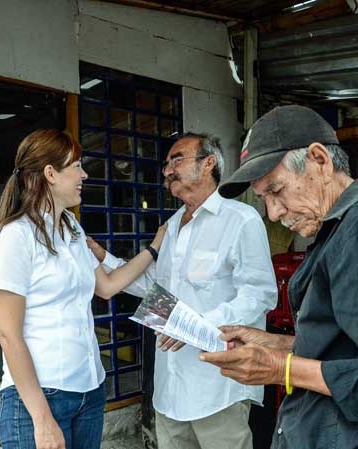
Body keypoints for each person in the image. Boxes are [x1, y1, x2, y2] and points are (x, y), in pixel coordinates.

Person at [201, 105, 358, 449]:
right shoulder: (340, 229)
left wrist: (280, 368)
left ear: (320, 160)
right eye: (263, 198)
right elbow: (346, 349)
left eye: (277, 190)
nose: (273, 212)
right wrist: (272, 344)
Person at [88, 133, 277, 449]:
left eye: (177, 159)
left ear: (208, 164)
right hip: (170, 389)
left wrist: (196, 325)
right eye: (166, 164)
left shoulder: (241, 220)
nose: (167, 170)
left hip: (218, 386)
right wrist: (104, 259)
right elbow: (156, 291)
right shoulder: (173, 225)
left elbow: (259, 294)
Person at [0, 129, 166, 449]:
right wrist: (42, 419)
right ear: (50, 173)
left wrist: (153, 249)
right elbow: (8, 335)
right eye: (77, 166)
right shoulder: (15, 236)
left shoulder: (71, 228)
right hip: (40, 397)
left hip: (89, 391)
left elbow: (107, 286)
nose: (84, 175)